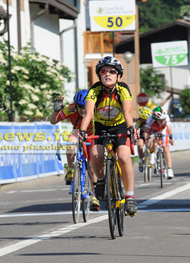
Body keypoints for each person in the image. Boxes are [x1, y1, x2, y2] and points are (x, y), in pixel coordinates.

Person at [79, 56, 138, 216]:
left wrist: (131, 128)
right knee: (96, 156)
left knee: (124, 157)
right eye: (104, 71)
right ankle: (102, 181)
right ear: (99, 75)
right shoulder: (94, 91)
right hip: (101, 127)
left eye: (112, 71)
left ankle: (130, 196)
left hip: (120, 126)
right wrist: (83, 131)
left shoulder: (123, 89)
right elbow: (89, 113)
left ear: (118, 76)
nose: (108, 74)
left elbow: (127, 111)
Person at [50, 90, 100, 211]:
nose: (83, 109)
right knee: (70, 142)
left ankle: (95, 197)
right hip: (78, 132)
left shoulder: (95, 109)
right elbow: (53, 121)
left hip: (92, 134)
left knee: (91, 168)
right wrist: (56, 111)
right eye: (80, 107)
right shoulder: (71, 109)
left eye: (85, 106)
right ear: (75, 105)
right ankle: (71, 170)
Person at [144, 106, 175, 179]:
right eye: (160, 121)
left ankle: (170, 169)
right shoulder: (150, 118)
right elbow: (146, 131)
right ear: (156, 119)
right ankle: (152, 154)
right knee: (151, 139)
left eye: (163, 120)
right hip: (153, 130)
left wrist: (171, 138)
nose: (162, 122)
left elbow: (169, 129)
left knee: (166, 148)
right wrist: (146, 140)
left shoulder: (166, 116)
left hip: (162, 130)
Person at [135, 106, 152, 172]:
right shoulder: (139, 121)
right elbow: (135, 130)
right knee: (139, 145)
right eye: (144, 120)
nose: (145, 121)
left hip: (150, 135)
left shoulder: (151, 120)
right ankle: (141, 160)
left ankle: (152, 155)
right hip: (142, 135)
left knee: (151, 144)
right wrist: (134, 138)